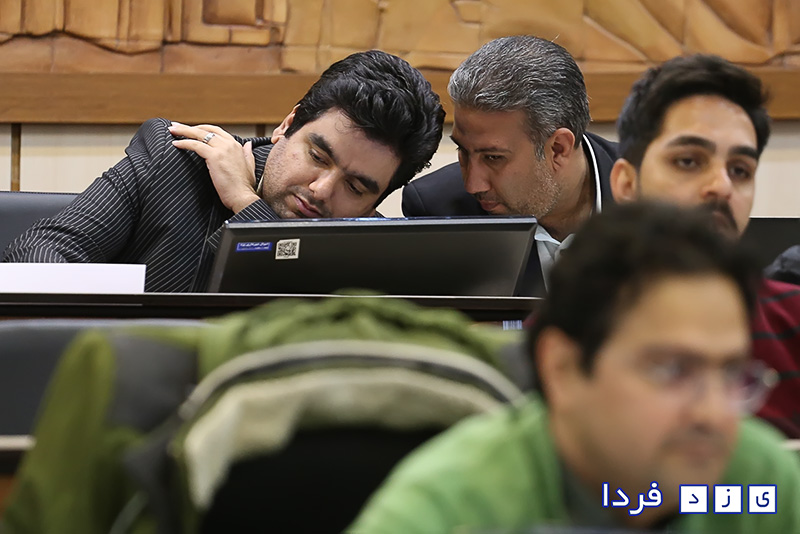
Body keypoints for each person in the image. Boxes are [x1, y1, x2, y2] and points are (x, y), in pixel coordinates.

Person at [349, 202, 800, 533]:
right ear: (561, 368)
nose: (713, 414)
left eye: (731, 375)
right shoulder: (453, 508)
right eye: (671, 370)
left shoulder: (757, 482)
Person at [2, 50, 445, 292]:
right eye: (317, 156)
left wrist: (246, 205)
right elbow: (33, 255)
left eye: (356, 186)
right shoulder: (175, 159)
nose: (321, 189)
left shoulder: (372, 255)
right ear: (288, 125)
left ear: (376, 204)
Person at [610, 54, 800, 437]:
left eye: (740, 170)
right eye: (688, 161)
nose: (722, 186)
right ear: (627, 185)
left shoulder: (793, 320)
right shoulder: (567, 331)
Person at [401, 35, 617, 292]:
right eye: (463, 151)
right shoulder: (439, 211)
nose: (473, 185)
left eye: (493, 157)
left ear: (558, 149)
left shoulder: (651, 193)